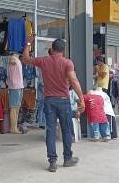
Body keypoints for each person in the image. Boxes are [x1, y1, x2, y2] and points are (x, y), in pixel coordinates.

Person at [23, 38, 85, 173]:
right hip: (63, 100)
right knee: (66, 130)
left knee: (50, 131)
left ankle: (52, 162)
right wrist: (81, 98)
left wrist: (28, 44)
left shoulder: (44, 61)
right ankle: (67, 158)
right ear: (63, 50)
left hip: (49, 101)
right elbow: (74, 81)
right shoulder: (67, 63)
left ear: (52, 48)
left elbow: (26, 59)